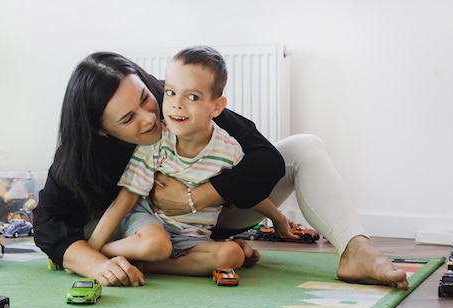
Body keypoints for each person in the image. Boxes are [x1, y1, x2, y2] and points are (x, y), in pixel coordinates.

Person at [33, 49, 408, 289]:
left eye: (148, 99)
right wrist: (95, 264)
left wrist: (195, 198)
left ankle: (357, 250)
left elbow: (266, 161)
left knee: (304, 147)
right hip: (137, 228)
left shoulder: (177, 101)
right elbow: (48, 225)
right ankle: (163, 256)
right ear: (100, 130)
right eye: (129, 119)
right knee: (102, 235)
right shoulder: (79, 156)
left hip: (208, 220)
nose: (151, 119)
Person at [88, 46, 298, 276]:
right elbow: (126, 198)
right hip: (150, 223)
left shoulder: (229, 150)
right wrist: (91, 252)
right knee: (157, 245)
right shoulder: (157, 141)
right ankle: (109, 252)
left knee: (233, 256)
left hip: (193, 236)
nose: (177, 104)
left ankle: (154, 265)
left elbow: (248, 193)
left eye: (192, 97)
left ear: (216, 106)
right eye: (170, 92)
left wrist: (278, 219)